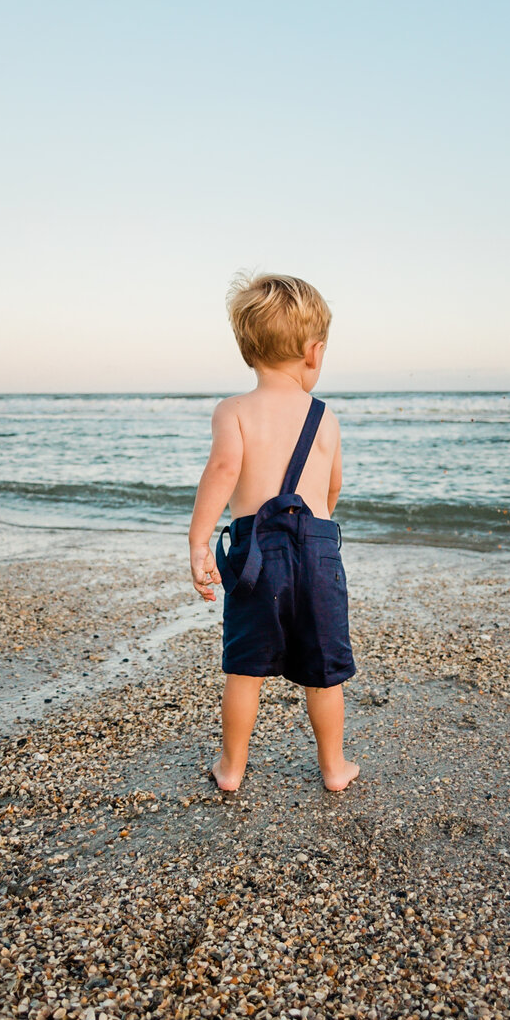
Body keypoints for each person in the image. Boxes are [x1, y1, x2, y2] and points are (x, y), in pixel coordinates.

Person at [186, 273, 359, 793]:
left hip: (256, 551)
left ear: (248, 350)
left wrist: (199, 539)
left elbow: (222, 471)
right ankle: (334, 768)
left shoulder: (233, 410)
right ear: (314, 351)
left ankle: (232, 769)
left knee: (245, 667)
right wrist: (314, 533)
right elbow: (334, 487)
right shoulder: (324, 416)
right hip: (318, 547)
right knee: (323, 668)